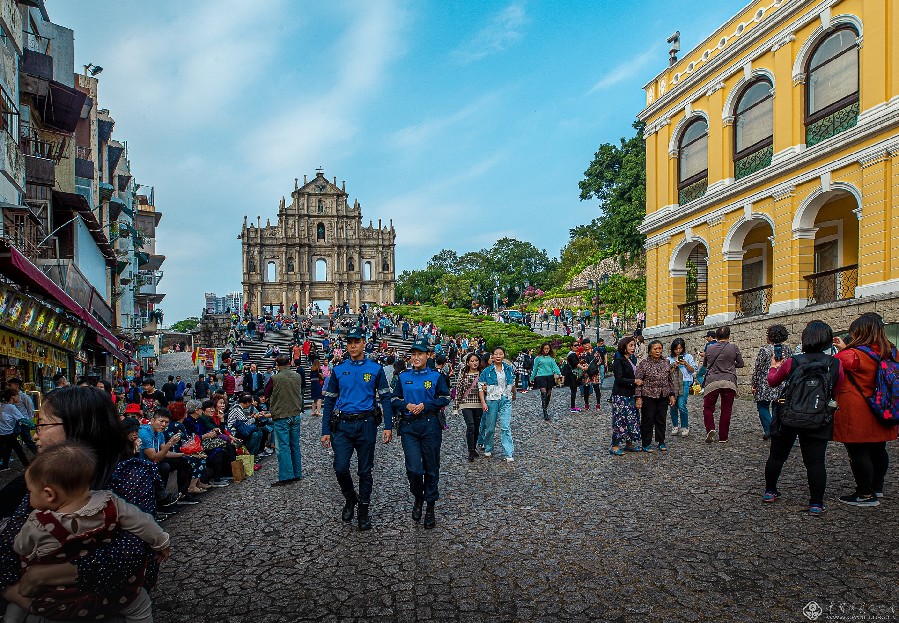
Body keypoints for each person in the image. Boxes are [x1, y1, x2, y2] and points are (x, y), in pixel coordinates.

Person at [0, 387, 159, 619]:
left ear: (78, 426)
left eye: (42, 424)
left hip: (109, 606)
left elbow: (131, 555)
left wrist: (45, 574)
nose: (36, 434)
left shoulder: (128, 476)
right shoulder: (39, 477)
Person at [4, 443, 170, 623]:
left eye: (30, 491)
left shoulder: (39, 522)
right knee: (141, 605)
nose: (29, 497)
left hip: (64, 600)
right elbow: (144, 523)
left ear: (49, 494)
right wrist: (162, 543)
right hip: (114, 590)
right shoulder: (111, 502)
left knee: (20, 605)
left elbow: (21, 547)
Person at [763, 320, 842, 516]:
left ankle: (770, 492)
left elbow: (773, 382)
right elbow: (836, 391)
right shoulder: (835, 364)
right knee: (815, 462)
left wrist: (774, 367)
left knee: (776, 456)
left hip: (788, 413)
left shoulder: (793, 361)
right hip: (818, 416)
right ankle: (816, 503)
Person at [320, 328, 394, 531]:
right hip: (342, 425)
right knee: (340, 467)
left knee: (365, 471)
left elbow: (386, 398)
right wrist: (325, 430)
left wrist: (388, 425)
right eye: (349, 342)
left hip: (366, 424)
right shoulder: (338, 370)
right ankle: (350, 497)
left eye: (356, 342)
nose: (352, 346)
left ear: (364, 343)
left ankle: (363, 510)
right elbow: (329, 401)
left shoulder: (375, 369)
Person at [833, 312, 899, 507]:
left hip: (858, 410)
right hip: (884, 408)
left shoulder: (852, 355)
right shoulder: (891, 352)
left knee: (858, 450)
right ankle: (877, 486)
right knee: (879, 449)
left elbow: (833, 367)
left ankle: (864, 493)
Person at [392, 339, 451, 529]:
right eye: (413, 354)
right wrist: (405, 405)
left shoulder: (436, 376)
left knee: (431, 467)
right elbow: (394, 398)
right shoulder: (402, 376)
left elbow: (445, 398)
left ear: (428, 356)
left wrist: (426, 405)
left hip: (430, 424)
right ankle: (418, 496)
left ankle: (430, 506)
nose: (416, 358)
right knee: (414, 468)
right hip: (409, 426)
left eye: (420, 354)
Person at [138, 410, 199, 505]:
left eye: (166, 422)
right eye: (161, 421)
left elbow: (165, 452)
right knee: (164, 466)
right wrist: (170, 443)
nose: (163, 425)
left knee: (184, 461)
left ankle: (183, 494)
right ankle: (161, 500)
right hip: (143, 463)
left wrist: (184, 454)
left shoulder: (159, 433)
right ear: (153, 420)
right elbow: (154, 458)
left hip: (155, 461)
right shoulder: (145, 433)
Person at [264, 355, 306, 487]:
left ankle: (286, 475)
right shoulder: (297, 376)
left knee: (283, 446)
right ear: (289, 363)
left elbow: (266, 393)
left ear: (277, 364)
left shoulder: (274, 378)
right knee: (294, 444)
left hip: (281, 414)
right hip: (295, 413)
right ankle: (297, 472)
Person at [702, 326, 744, 443]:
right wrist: (730, 365)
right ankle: (723, 437)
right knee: (726, 409)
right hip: (729, 381)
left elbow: (706, 364)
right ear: (729, 336)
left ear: (716, 336)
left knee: (708, 407)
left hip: (712, 381)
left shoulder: (709, 348)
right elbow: (741, 364)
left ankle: (710, 428)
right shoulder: (733, 347)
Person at [750, 325, 791, 440]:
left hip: (765, 383)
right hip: (781, 382)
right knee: (777, 407)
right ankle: (776, 428)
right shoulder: (787, 349)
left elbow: (758, 368)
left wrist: (754, 383)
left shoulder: (765, 350)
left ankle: (769, 429)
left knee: (762, 406)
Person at [635, 339, 675, 452]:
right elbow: (638, 381)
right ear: (650, 351)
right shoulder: (644, 364)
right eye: (655, 349)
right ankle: (646, 443)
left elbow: (669, 380)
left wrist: (672, 394)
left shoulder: (666, 362)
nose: (658, 351)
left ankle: (661, 441)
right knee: (648, 419)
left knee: (661, 419)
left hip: (663, 395)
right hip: (648, 395)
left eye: (660, 348)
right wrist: (638, 397)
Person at [478, 346, 517, 462]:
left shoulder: (509, 369)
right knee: (490, 427)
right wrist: (483, 402)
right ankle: (488, 447)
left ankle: (508, 452)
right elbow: (480, 388)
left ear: (504, 355)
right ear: (492, 356)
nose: (498, 356)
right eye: (496, 354)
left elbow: (513, 383)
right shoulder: (486, 371)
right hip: (492, 400)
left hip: (505, 399)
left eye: (501, 354)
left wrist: (514, 394)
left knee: (505, 426)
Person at [610, 337, 643, 455]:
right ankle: (615, 445)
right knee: (620, 419)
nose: (633, 348)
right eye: (630, 345)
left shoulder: (631, 359)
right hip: (620, 395)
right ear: (624, 346)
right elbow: (619, 378)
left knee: (632, 419)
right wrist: (633, 381)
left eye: (634, 345)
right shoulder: (619, 360)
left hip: (630, 394)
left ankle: (629, 444)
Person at [454, 353, 484, 462]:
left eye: (476, 360)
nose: (474, 362)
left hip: (479, 404)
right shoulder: (463, 374)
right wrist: (456, 407)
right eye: (472, 361)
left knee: (476, 427)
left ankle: (473, 447)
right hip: (466, 403)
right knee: (470, 425)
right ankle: (470, 450)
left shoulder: (482, 373)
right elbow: (459, 391)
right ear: (467, 363)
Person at [667, 338, 695, 437]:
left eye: (680, 348)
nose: (678, 351)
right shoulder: (669, 359)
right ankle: (675, 425)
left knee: (682, 404)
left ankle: (684, 426)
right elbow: (667, 373)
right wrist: (674, 366)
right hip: (673, 384)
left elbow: (692, 370)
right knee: (673, 405)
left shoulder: (688, 357)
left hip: (685, 382)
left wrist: (685, 364)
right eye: (676, 349)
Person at [0, 390, 29, 471]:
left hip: (3, 432)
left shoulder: (3, 406)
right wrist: (33, 425)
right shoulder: (11, 407)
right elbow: (22, 419)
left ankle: (5, 465)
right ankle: (27, 465)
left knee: (7, 448)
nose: (19, 397)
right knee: (18, 449)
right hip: (7, 433)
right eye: (17, 396)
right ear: (13, 397)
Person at [531, 343, 561, 421]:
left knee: (548, 394)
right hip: (541, 377)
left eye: (548, 349)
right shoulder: (538, 358)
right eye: (545, 349)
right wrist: (532, 377)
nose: (546, 350)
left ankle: (545, 407)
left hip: (549, 376)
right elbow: (535, 368)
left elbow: (555, 366)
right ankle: (545, 412)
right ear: (542, 349)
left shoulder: (551, 358)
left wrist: (559, 373)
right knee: (544, 393)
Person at [6, 379, 36, 455]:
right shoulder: (9, 397)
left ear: (17, 385)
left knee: (28, 441)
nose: (8, 387)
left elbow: (30, 409)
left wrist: (28, 421)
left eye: (10, 385)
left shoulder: (24, 397)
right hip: (13, 423)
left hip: (23, 423)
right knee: (10, 442)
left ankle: (38, 455)